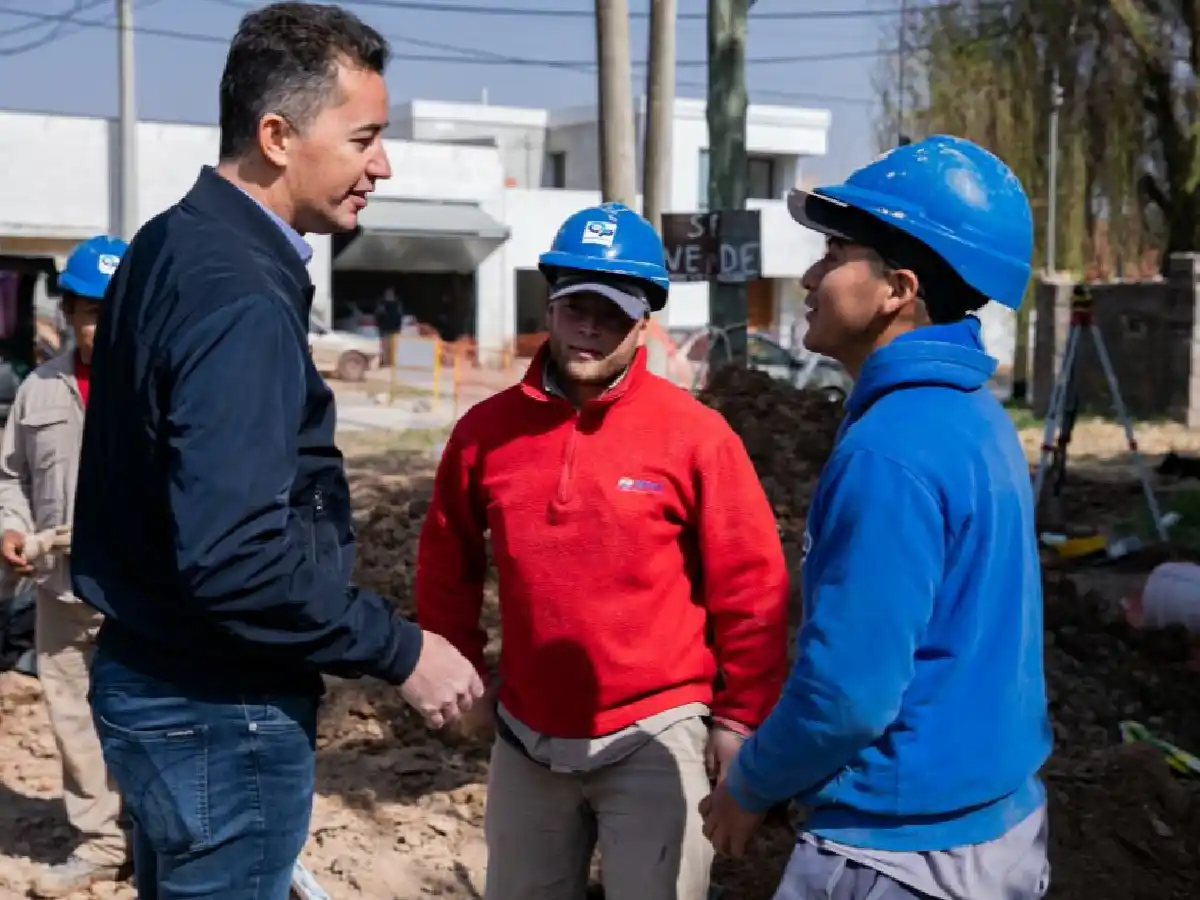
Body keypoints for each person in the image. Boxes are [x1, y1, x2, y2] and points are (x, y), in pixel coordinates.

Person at [70, 4, 482, 898]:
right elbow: (235, 560)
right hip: (216, 709)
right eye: (365, 137)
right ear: (277, 135)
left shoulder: (172, 243)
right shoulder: (239, 294)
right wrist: (402, 651)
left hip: (157, 680)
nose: (383, 164)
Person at [699, 135, 1053, 900]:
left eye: (833, 256)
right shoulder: (973, 416)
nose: (809, 277)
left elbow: (847, 694)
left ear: (896, 287)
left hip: (898, 852)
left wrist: (748, 785)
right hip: (994, 825)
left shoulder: (891, 450)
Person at [416, 202, 790, 900]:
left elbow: (752, 588)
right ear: (550, 305)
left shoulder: (697, 437)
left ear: (644, 320)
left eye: (612, 311)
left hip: (656, 729)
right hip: (526, 732)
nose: (589, 326)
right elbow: (447, 562)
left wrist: (740, 720)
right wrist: (459, 671)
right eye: (575, 306)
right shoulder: (485, 433)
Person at [0, 236, 129, 898]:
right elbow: (10, 473)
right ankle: (102, 840)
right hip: (61, 585)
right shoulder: (38, 390)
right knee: (73, 714)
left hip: (146, 592)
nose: (97, 325)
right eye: (87, 310)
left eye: (111, 310)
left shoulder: (157, 386)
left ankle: (155, 834)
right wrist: (12, 526)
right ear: (69, 310)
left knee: (155, 712)